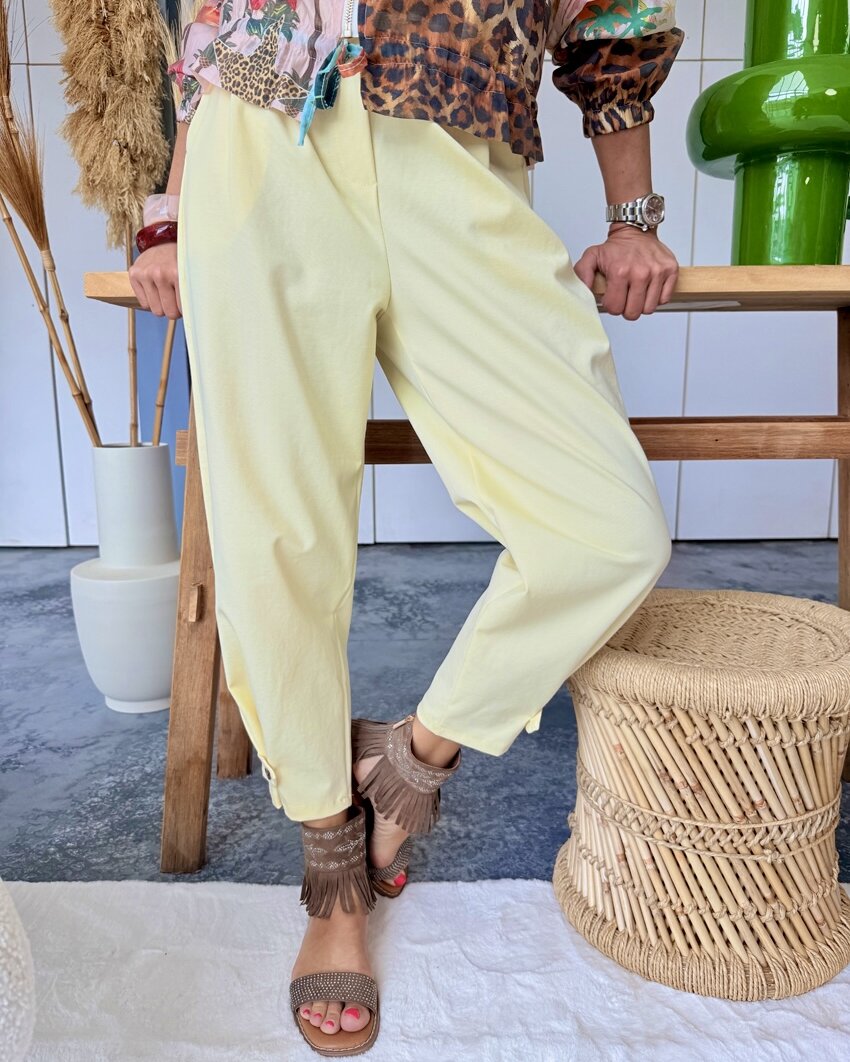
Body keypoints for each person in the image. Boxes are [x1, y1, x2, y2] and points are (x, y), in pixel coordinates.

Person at [130, 0, 684, 1053]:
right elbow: (213, 25)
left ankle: (409, 764)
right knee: (274, 534)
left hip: (455, 135)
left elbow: (615, 19)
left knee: (607, 526)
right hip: (262, 132)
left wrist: (632, 219)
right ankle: (331, 865)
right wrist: (171, 206)